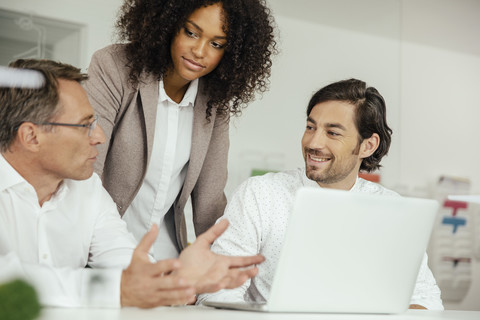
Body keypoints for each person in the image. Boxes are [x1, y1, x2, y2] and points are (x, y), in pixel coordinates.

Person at [0, 59, 264, 308]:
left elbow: (125, 259)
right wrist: (119, 290)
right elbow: (7, 282)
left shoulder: (87, 189)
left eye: (96, 123)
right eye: (85, 126)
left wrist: (176, 279)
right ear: (31, 137)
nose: (100, 137)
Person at [197, 79, 444, 310]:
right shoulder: (260, 195)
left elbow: (427, 301)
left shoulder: (392, 210)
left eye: (333, 133)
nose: (314, 142)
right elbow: (216, 293)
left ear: (367, 145)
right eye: (310, 127)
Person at [84, 0, 277, 260]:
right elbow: (86, 170)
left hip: (167, 254)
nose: (200, 51)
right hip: (101, 246)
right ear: (169, 24)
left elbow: (210, 201)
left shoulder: (215, 101)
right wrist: (121, 255)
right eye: (191, 32)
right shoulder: (115, 65)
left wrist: (224, 264)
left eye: (216, 44)